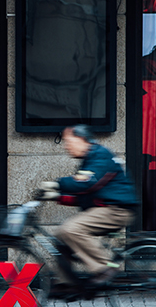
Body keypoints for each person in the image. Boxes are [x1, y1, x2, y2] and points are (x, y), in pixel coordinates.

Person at [39, 125, 139, 292]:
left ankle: (105, 267)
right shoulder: (90, 159)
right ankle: (67, 284)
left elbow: (86, 182)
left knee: (70, 229)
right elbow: (84, 195)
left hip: (117, 209)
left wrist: (57, 183)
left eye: (68, 141)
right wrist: (56, 196)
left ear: (81, 139)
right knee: (61, 236)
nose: (66, 146)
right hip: (104, 208)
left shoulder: (100, 155)